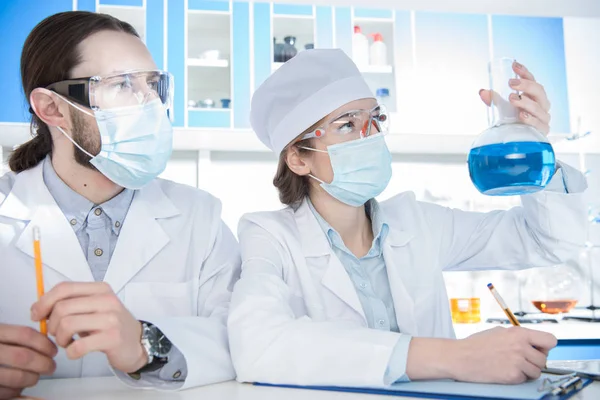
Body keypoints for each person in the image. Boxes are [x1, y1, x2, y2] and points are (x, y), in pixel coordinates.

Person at [228, 49, 588, 388]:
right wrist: (456, 356)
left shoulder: (418, 224)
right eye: (346, 125)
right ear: (298, 159)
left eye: (375, 120)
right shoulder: (269, 235)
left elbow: (546, 241)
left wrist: (530, 142)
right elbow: (257, 345)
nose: (368, 138)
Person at [0, 11, 239, 399]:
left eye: (152, 85)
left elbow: (243, 337)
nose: (150, 105)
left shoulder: (200, 216)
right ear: (52, 108)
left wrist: (148, 344)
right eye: (122, 84)